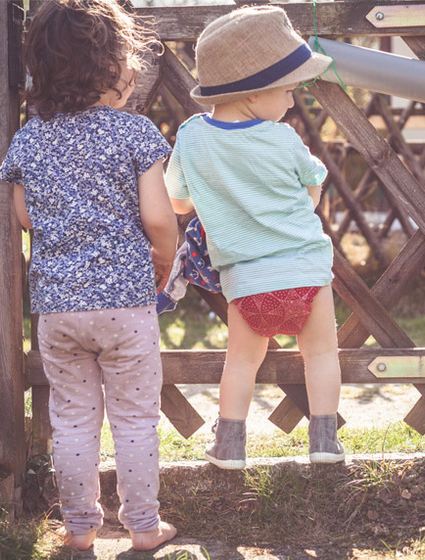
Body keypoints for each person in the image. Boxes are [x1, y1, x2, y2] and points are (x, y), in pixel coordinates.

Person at [0, 0, 178, 551]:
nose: (133, 67)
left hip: (58, 308)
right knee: (134, 418)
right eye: (126, 57)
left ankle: (80, 529)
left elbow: (23, 216)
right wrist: (163, 258)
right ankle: (143, 528)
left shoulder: (30, 139)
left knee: (72, 418)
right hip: (125, 303)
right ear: (106, 68)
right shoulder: (135, 134)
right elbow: (157, 217)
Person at [165, 5, 345, 470]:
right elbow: (314, 180)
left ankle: (229, 447)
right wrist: (297, 211)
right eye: (287, 91)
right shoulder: (282, 138)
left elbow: (180, 204)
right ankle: (325, 442)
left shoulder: (189, 137)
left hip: (246, 278)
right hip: (306, 270)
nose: (291, 102)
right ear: (252, 94)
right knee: (322, 353)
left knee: (240, 363)